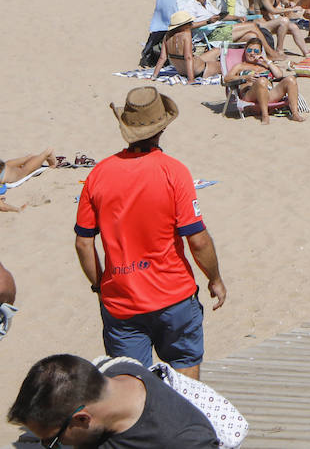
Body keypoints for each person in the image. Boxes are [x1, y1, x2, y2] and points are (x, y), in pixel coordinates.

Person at [76, 87, 227, 379]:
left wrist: (100, 286)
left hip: (122, 299)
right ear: (163, 127)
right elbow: (197, 238)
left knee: (134, 389)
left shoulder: (98, 175)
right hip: (174, 295)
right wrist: (215, 279)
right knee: (186, 380)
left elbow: (84, 243)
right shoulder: (174, 172)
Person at [8, 353, 220, 447]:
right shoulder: (112, 372)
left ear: (82, 419)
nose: (52, 446)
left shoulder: (185, 441)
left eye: (54, 442)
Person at [225, 38, 306, 122]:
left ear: (260, 53)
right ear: (245, 51)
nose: (252, 53)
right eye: (249, 50)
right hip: (250, 95)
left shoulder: (265, 65)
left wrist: (267, 60)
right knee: (261, 81)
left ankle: (295, 114)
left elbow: (279, 75)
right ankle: (265, 115)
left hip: (269, 95)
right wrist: (245, 77)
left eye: (256, 51)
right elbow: (226, 78)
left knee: (291, 79)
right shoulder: (240, 66)